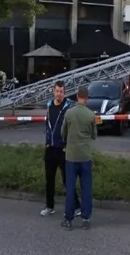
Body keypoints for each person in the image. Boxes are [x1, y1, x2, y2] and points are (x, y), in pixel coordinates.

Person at [41, 81, 80, 217]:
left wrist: (67, 145)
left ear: (64, 92)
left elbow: (72, 127)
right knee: (49, 179)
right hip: (50, 148)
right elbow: (48, 125)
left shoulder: (69, 106)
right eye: (57, 91)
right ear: (53, 91)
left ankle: (76, 206)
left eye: (61, 91)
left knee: (67, 179)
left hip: (63, 149)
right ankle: (49, 206)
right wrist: (47, 142)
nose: (59, 94)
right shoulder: (49, 105)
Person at [60, 87, 97, 230]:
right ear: (87, 98)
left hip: (71, 156)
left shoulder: (69, 113)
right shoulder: (91, 115)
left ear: (77, 96)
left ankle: (68, 219)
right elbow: (94, 135)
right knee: (86, 188)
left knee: (70, 188)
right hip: (85, 156)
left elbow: (63, 132)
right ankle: (86, 218)